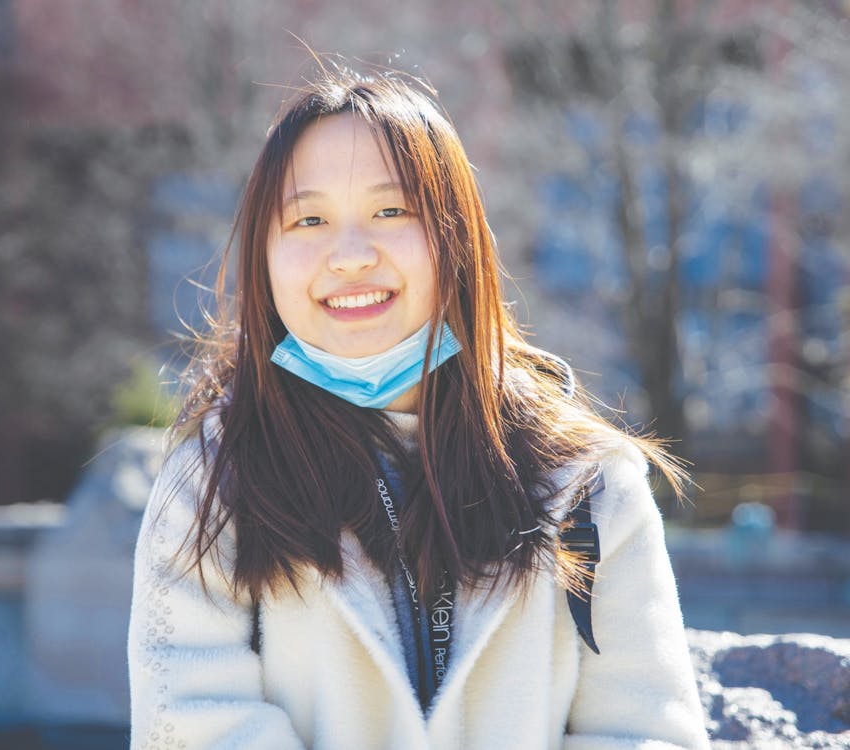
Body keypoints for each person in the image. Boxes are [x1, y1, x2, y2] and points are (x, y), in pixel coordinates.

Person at [128, 64, 710, 750]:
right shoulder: (213, 481)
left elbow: (646, 731)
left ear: (457, 240)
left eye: (390, 211)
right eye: (309, 219)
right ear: (264, 258)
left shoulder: (588, 483)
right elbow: (193, 728)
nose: (350, 255)